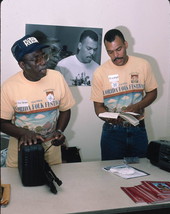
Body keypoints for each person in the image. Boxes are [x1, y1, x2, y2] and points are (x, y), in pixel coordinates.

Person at [0, 35, 75, 167]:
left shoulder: (57, 78)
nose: (43, 62)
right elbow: (2, 122)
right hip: (21, 155)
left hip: (51, 153)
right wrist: (24, 133)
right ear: (22, 65)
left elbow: (65, 110)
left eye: (43, 56)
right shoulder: (9, 87)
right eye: (36, 59)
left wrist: (59, 131)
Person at [90, 29, 158, 160]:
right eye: (110, 52)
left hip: (138, 129)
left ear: (126, 44)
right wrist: (109, 118)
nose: (116, 55)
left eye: (119, 49)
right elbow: (98, 107)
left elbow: (153, 92)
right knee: (111, 175)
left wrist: (138, 106)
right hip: (112, 133)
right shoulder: (100, 73)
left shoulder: (143, 65)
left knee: (141, 172)